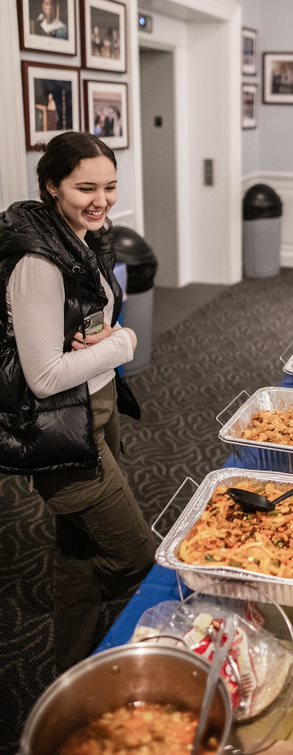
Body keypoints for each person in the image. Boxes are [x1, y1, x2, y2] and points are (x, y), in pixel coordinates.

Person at [0, 132, 155, 672]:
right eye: (84, 187)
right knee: (137, 558)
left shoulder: (82, 236)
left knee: (79, 550)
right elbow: (44, 378)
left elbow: (98, 315)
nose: (101, 200)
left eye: (110, 187)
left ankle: (74, 665)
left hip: (97, 402)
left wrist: (108, 334)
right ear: (51, 186)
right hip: (61, 426)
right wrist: (122, 343)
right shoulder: (38, 262)